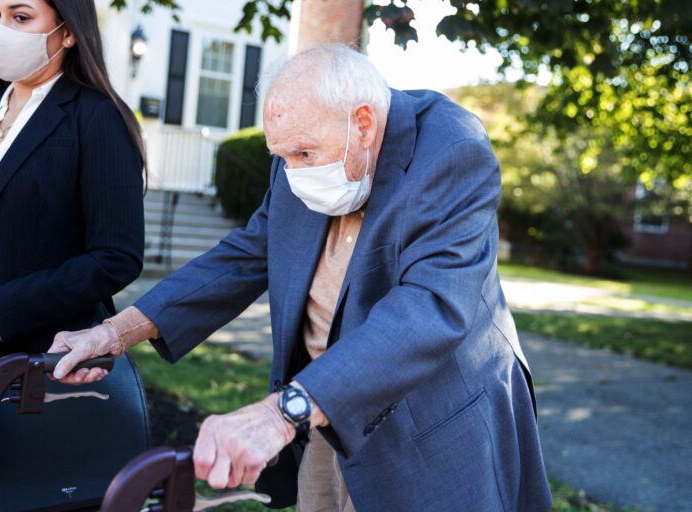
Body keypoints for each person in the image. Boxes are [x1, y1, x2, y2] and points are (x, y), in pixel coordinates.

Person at [51, 45, 554, 511]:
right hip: (321, 410)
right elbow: (245, 255)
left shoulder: (452, 152)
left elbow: (429, 309)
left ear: (363, 124)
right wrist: (115, 332)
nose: (293, 172)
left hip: (429, 424)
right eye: (282, 156)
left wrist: (279, 413)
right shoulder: (301, 147)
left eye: (305, 155)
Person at [0, 0, 145, 364]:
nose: (1, 29)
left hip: (31, 351)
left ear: (69, 32)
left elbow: (116, 256)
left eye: (21, 16)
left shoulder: (97, 118)